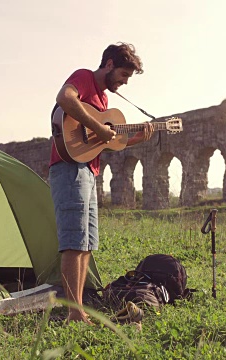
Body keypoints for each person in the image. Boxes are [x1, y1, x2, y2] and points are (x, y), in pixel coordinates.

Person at [48, 42, 155, 323]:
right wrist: (97, 126)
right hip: (70, 169)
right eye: (123, 74)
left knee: (85, 243)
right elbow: (64, 98)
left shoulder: (104, 102)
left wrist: (134, 139)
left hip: (88, 171)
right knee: (74, 242)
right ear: (108, 64)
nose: (124, 82)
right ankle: (74, 312)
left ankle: (78, 308)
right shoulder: (84, 77)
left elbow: (102, 145)